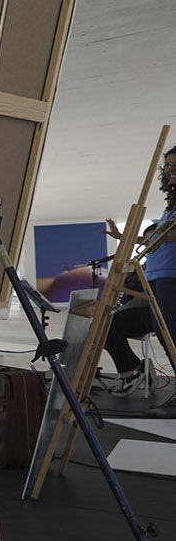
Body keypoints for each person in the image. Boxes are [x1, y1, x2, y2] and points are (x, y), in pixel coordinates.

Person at [102, 153, 176, 393]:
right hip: (156, 276)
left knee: (171, 337)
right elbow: (152, 239)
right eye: (168, 165)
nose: (170, 169)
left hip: (170, 276)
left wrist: (156, 237)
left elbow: (165, 236)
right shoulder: (171, 206)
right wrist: (122, 236)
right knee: (165, 338)